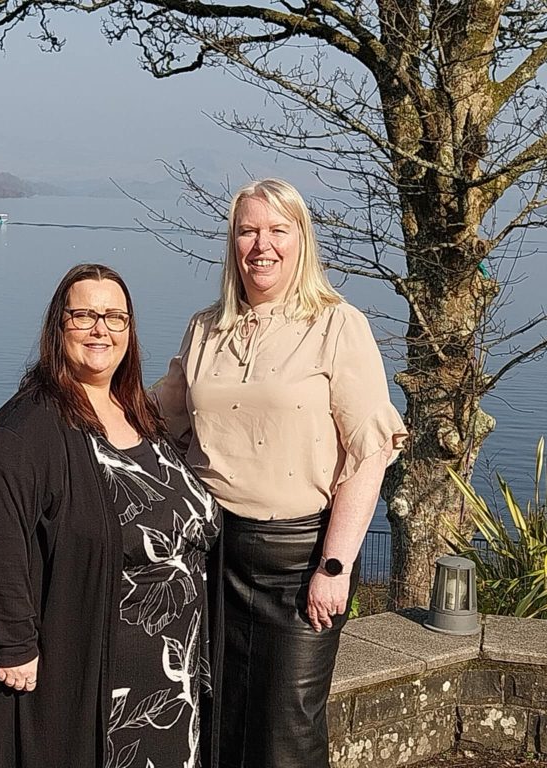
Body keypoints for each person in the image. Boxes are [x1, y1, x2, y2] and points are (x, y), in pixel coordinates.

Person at [154, 179, 407, 768]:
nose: (260, 245)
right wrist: (72, 397)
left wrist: (335, 566)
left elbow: (369, 453)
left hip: (297, 562)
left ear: (301, 240)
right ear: (232, 243)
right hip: (207, 556)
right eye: (247, 231)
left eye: (276, 230)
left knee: (286, 735)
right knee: (211, 719)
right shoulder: (205, 328)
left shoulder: (338, 326)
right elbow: (157, 419)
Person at [0, 263, 222, 768]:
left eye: (116, 317)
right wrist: (14, 644)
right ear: (59, 326)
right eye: (85, 315)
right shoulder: (27, 427)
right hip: (84, 667)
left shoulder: (139, 410)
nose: (101, 329)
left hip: (164, 674)